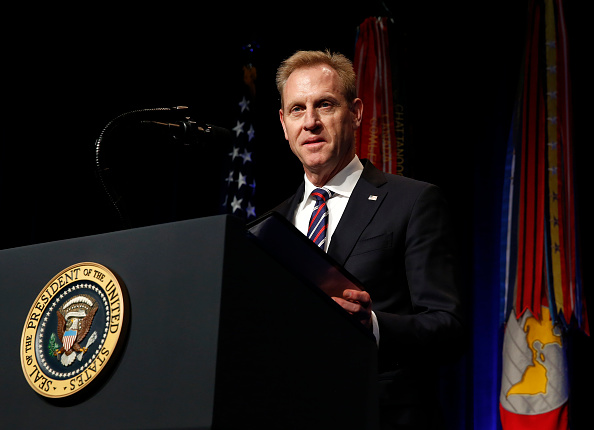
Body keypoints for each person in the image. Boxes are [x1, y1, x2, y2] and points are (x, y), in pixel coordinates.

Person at [272, 50, 464, 429]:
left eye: (324, 105)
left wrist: (372, 326)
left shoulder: (412, 202)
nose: (310, 122)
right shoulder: (270, 226)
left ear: (356, 112)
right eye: (297, 109)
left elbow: (448, 327)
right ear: (283, 123)